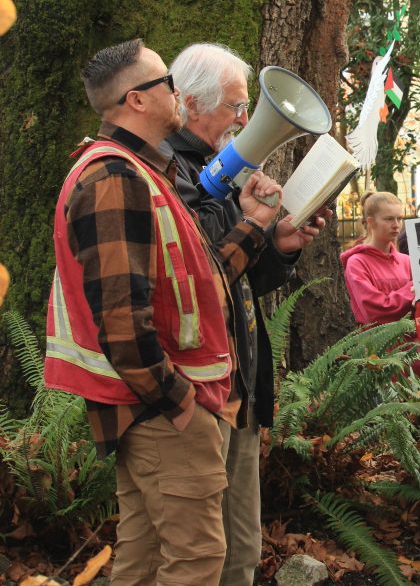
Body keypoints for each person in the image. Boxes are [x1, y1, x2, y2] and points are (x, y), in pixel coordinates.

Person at [44, 40, 281, 584]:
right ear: (137, 100)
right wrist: (180, 404)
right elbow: (122, 321)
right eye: (165, 83)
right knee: (195, 562)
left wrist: (254, 226)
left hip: (159, 406)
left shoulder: (140, 174)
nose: (178, 92)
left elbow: (200, 285)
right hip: (163, 408)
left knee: (144, 562)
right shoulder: (114, 179)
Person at [166, 42, 330, 586]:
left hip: (237, 386)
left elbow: (238, 280)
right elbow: (195, 274)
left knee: (241, 548)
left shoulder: (222, 170)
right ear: (189, 104)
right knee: (200, 553)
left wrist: (279, 242)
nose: (244, 119)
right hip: (197, 392)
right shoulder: (167, 169)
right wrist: (251, 224)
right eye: (237, 106)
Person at [341, 191, 414, 324]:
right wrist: (415, 289)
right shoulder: (357, 263)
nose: (396, 225)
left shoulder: (407, 261)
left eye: (399, 218)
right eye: (389, 219)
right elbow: (375, 312)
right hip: (376, 343)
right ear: (371, 222)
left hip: (413, 341)